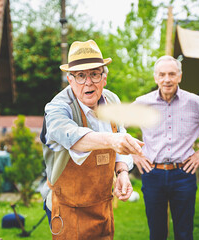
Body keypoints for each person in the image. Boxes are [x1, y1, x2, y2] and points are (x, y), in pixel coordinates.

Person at [40, 39, 144, 240]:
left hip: (102, 205)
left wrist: (122, 172)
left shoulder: (111, 100)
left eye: (94, 74)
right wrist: (112, 140)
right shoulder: (57, 108)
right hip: (67, 208)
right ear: (70, 80)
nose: (88, 82)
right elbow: (72, 137)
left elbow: (120, 134)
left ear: (104, 78)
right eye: (80, 76)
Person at [132, 55, 199, 240]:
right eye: (162, 74)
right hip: (152, 174)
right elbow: (117, 126)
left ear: (180, 76)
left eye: (171, 74)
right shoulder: (142, 103)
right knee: (156, 233)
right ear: (155, 77)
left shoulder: (195, 102)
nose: (167, 79)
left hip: (183, 175)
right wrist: (133, 155)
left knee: (184, 233)